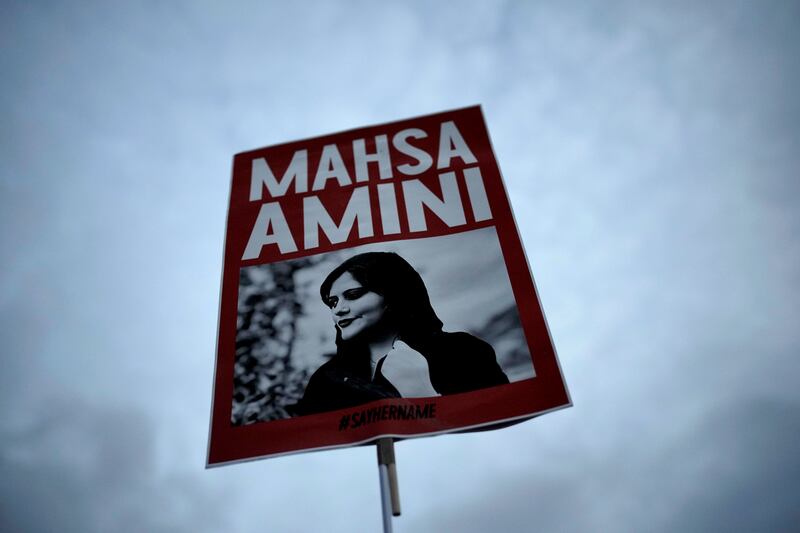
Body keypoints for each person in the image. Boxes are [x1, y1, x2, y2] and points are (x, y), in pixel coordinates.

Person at [292, 252, 509, 416]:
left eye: (353, 294)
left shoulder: (464, 352)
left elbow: (497, 427)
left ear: (393, 293)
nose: (338, 309)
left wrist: (422, 394)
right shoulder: (328, 379)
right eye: (333, 302)